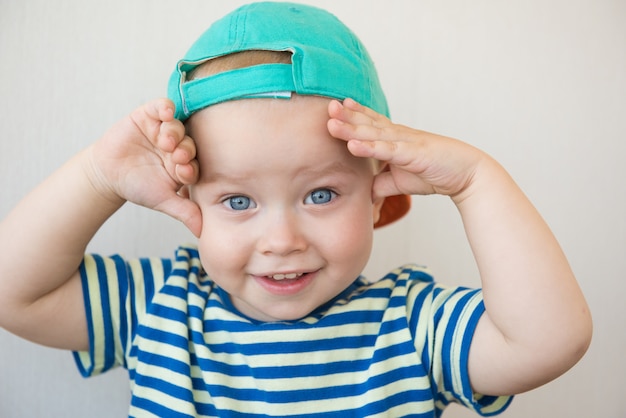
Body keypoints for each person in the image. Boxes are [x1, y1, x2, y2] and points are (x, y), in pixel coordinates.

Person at [0, 2, 592, 417]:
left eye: (321, 195)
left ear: (379, 197)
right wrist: (98, 177)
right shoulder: (159, 307)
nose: (281, 239)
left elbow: (549, 341)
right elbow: (13, 292)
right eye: (237, 200)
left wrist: (476, 181)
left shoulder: (411, 327)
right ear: (185, 198)